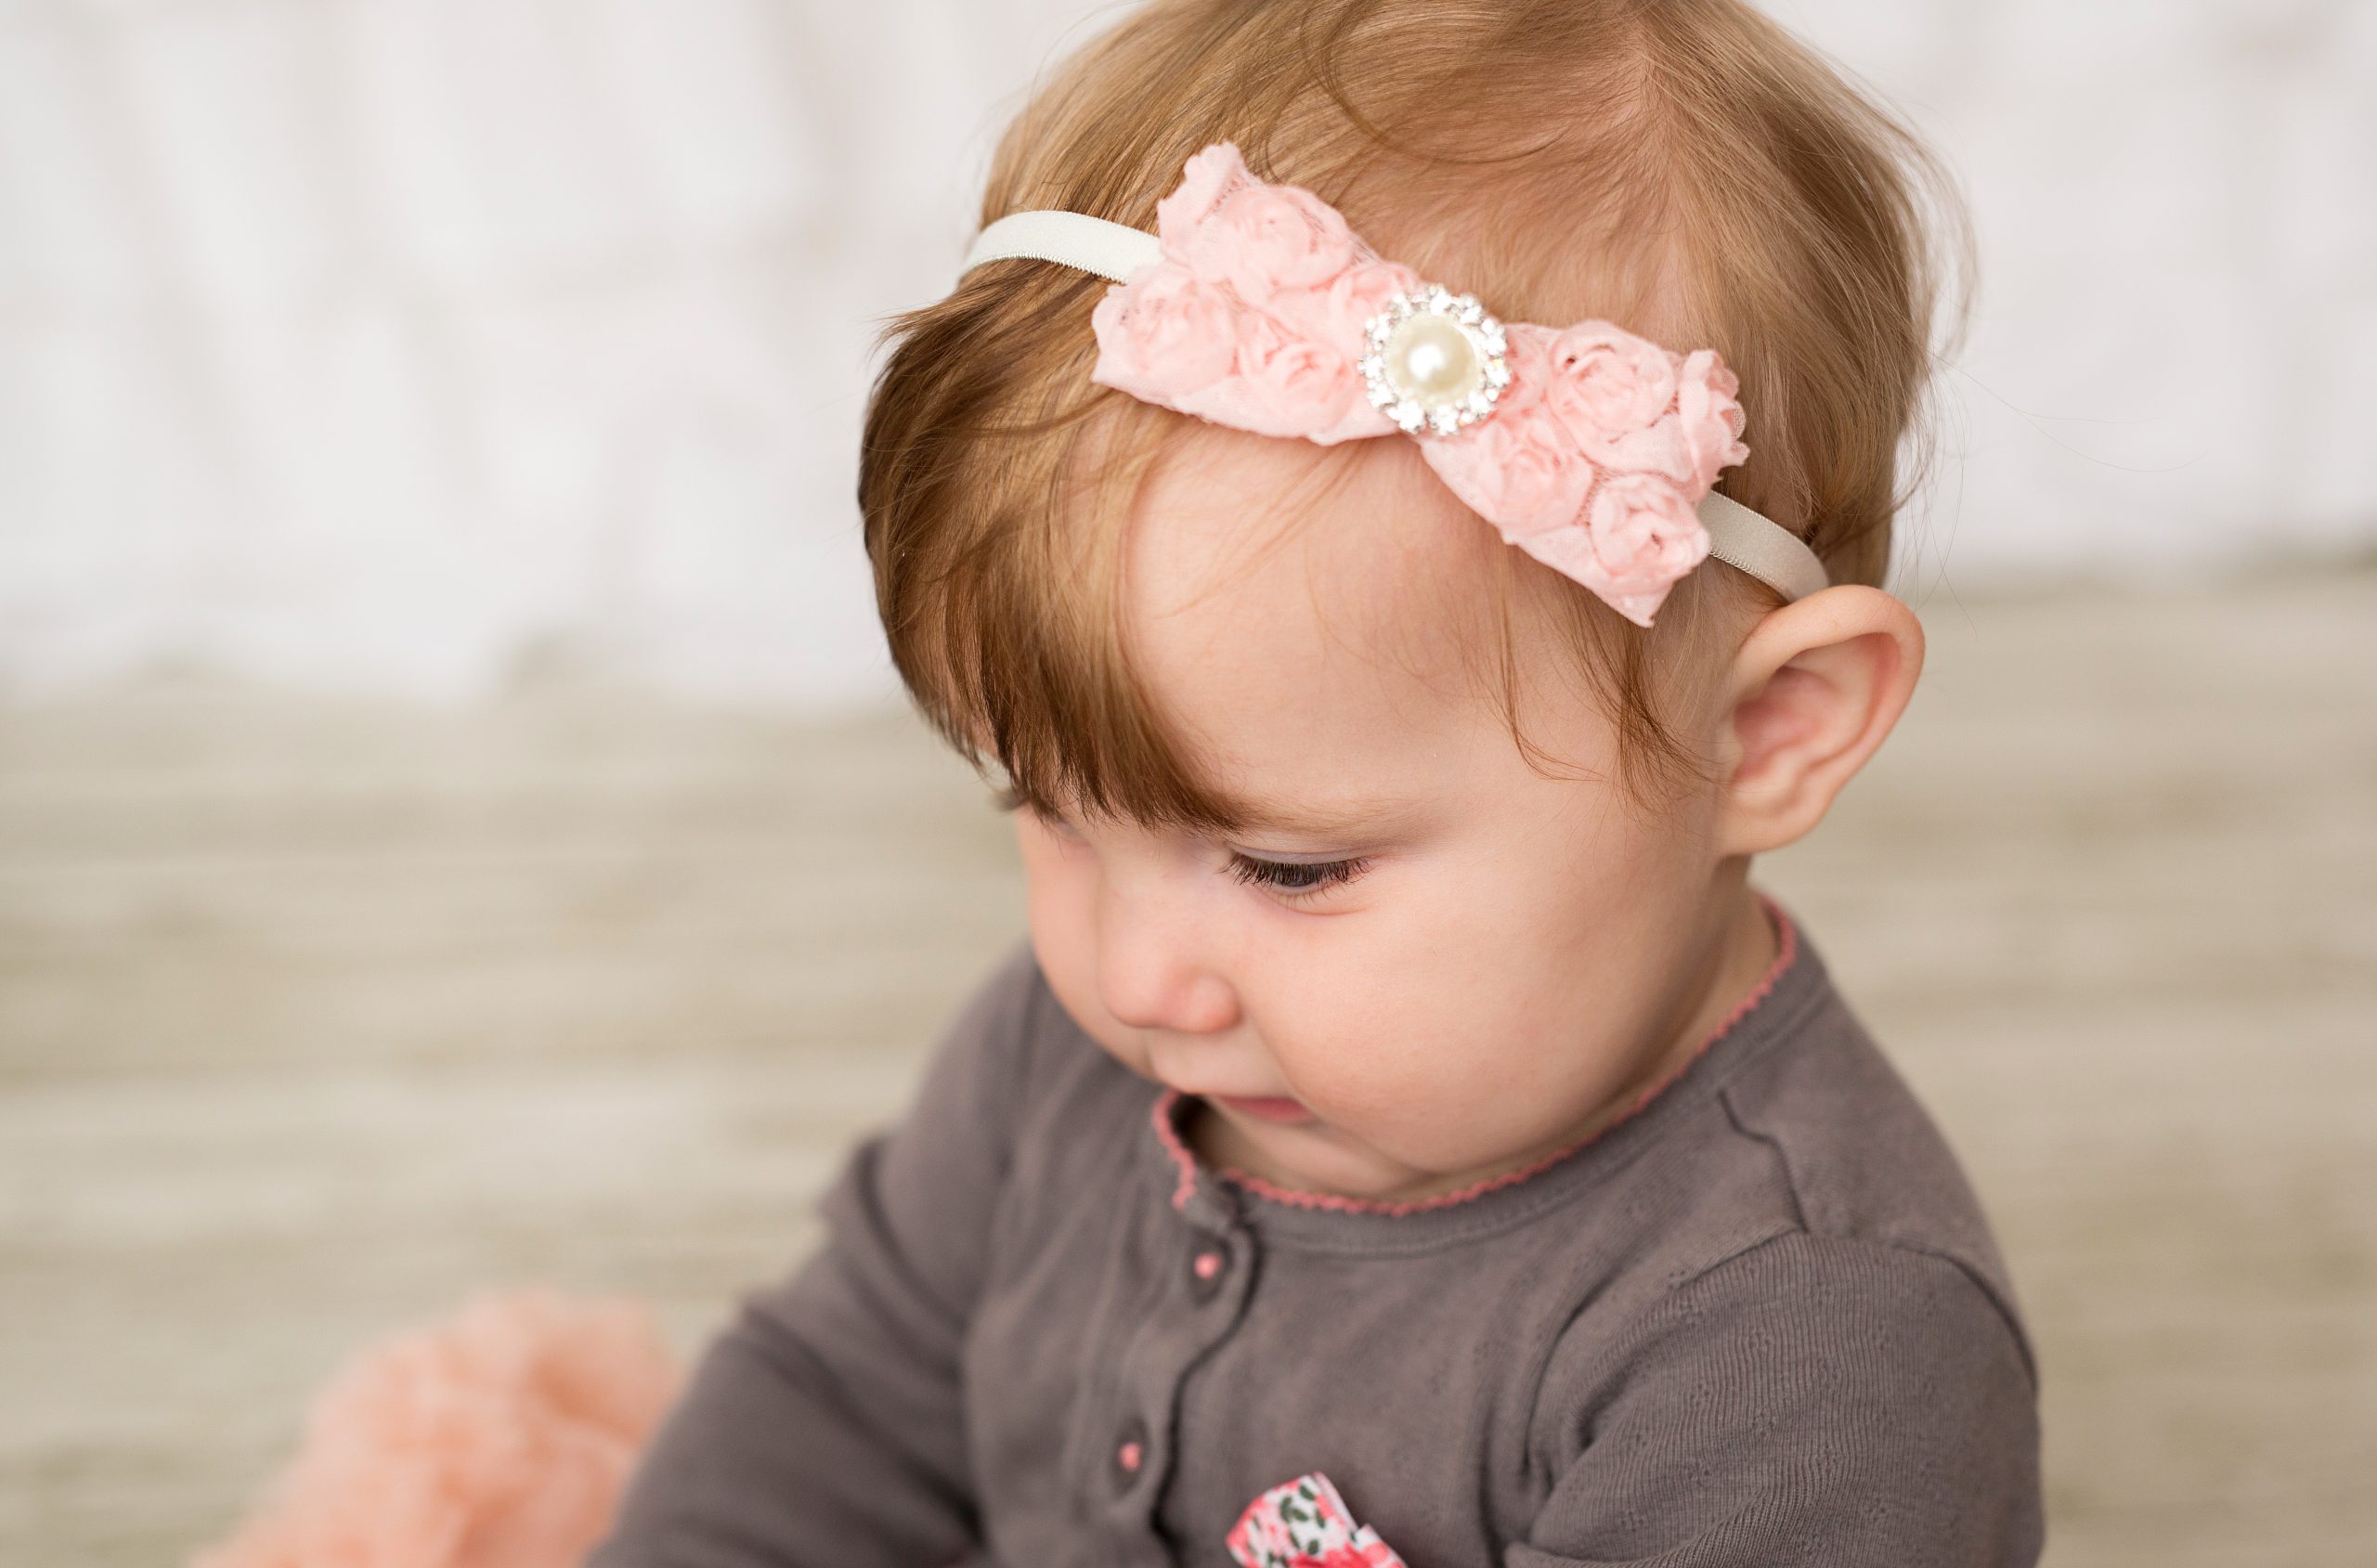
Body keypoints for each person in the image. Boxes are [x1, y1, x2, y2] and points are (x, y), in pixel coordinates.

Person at [589, 2, 2042, 1563]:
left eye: (1291, 868)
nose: (1134, 979)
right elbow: (836, 1397)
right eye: (1049, 809)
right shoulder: (1070, 1048)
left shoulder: (1807, 1350)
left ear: (1769, 731)